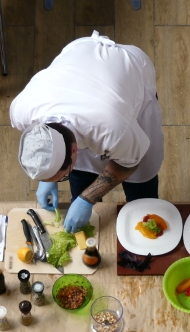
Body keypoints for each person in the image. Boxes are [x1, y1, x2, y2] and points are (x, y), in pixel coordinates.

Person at [10, 31, 164, 233]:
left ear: (74, 150)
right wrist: (45, 177)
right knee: (81, 177)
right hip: (79, 58)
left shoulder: (113, 127)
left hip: (127, 70)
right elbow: (43, 146)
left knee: (141, 186)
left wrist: (86, 199)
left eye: (61, 177)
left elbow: (129, 163)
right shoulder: (22, 111)